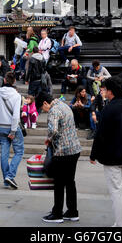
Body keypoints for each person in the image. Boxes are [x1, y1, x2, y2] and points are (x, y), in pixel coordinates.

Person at [90, 77, 122, 227]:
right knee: (119, 189)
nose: (104, 92)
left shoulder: (108, 109)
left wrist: (93, 154)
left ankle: (121, 224)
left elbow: (100, 134)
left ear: (110, 91)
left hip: (112, 157)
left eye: (105, 89)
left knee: (116, 192)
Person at [35, 91, 81, 223]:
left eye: (42, 108)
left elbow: (53, 130)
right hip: (74, 149)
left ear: (45, 103)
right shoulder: (64, 105)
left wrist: (48, 139)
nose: (43, 111)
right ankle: (72, 211)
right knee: (70, 182)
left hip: (62, 151)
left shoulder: (53, 110)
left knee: (59, 183)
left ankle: (57, 213)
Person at [0, 72, 24, 190]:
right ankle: (10, 175)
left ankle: (6, 179)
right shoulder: (16, 95)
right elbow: (15, 116)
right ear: (14, 81)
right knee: (19, 151)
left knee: (4, 153)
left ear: (4, 80)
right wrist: (13, 131)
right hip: (12, 127)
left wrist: (0, 113)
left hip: (2, 127)